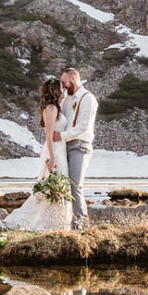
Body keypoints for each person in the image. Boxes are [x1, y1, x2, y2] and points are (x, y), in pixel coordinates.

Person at [0, 77, 72, 231]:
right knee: (49, 187)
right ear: (55, 90)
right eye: (61, 87)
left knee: (59, 185)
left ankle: (57, 223)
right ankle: (44, 223)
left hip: (60, 149)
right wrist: (52, 158)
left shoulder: (57, 107)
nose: (64, 90)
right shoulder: (51, 109)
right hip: (54, 151)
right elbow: (48, 135)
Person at [53, 68, 98, 230]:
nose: (63, 87)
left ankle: (81, 223)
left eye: (64, 82)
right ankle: (66, 221)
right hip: (65, 147)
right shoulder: (66, 100)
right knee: (65, 184)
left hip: (80, 145)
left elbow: (83, 127)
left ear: (73, 78)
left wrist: (62, 136)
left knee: (75, 184)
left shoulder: (88, 98)